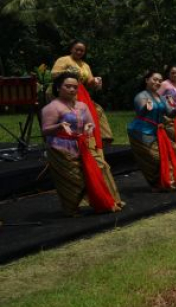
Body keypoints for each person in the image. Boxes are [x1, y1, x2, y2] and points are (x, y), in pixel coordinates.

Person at [40, 72, 123, 215]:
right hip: (61, 147)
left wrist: (88, 127)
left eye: (75, 87)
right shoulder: (52, 107)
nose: (72, 89)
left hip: (82, 144)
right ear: (59, 87)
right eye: (68, 86)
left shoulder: (82, 105)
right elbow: (45, 130)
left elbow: (91, 124)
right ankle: (72, 208)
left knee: (101, 167)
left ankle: (110, 200)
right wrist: (59, 126)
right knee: (75, 178)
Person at [127, 71, 176, 190]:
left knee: (174, 150)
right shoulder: (141, 96)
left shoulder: (161, 98)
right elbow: (140, 110)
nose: (157, 82)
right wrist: (146, 107)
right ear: (147, 80)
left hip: (158, 132)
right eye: (155, 79)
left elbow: (170, 114)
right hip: (141, 132)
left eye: (160, 80)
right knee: (155, 158)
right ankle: (157, 183)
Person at [51, 40, 113, 150]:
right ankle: (83, 139)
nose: (79, 52)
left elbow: (89, 81)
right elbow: (54, 74)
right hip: (63, 90)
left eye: (82, 51)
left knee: (97, 110)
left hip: (80, 92)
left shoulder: (85, 65)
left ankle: (104, 137)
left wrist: (95, 81)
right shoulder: (64, 60)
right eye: (77, 49)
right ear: (71, 49)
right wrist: (69, 75)